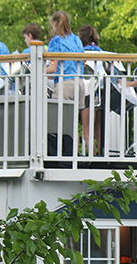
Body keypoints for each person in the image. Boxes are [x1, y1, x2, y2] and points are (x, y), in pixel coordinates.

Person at [45, 11, 85, 159]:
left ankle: (61, 155)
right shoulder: (76, 40)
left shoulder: (56, 41)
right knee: (74, 121)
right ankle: (74, 152)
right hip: (79, 82)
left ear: (55, 24)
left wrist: (37, 70)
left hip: (65, 82)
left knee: (59, 120)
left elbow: (53, 69)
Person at [78, 24, 104, 154]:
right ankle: (101, 156)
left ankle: (91, 158)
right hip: (100, 93)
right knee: (98, 130)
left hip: (87, 93)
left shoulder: (82, 54)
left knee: (87, 131)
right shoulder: (100, 52)